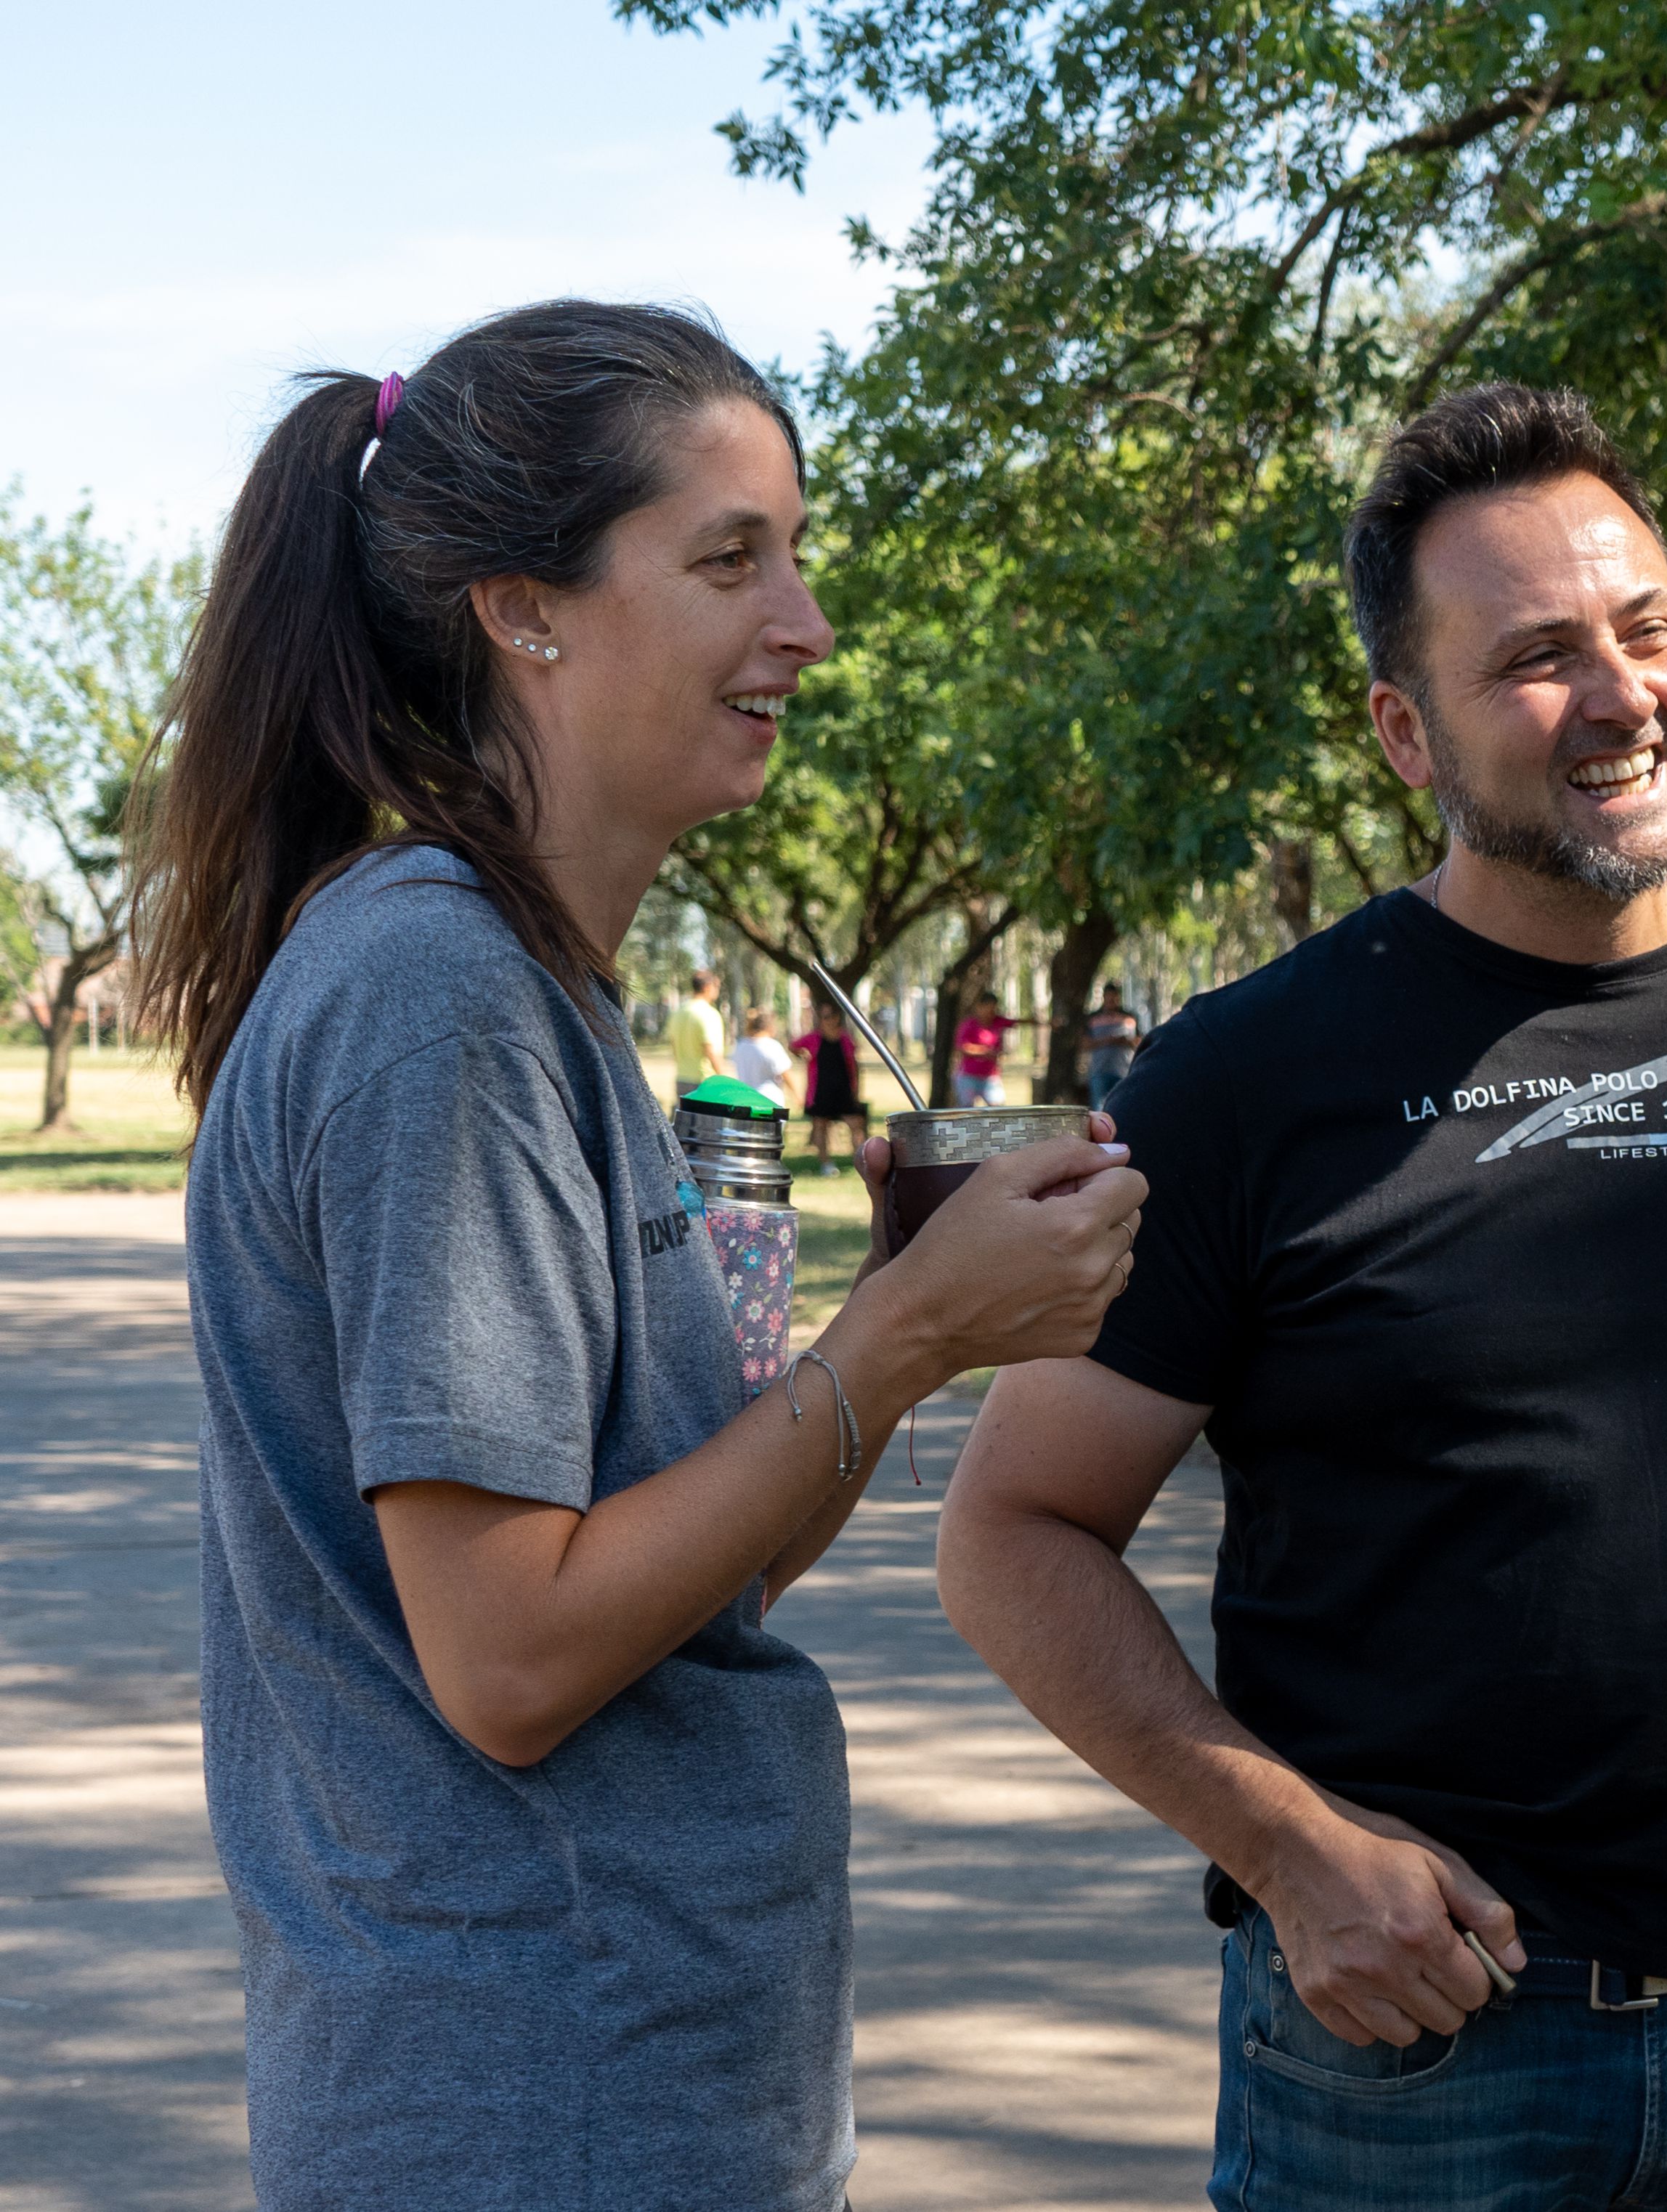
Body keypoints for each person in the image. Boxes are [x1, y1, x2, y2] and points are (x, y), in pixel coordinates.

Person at [938, 383, 1667, 2212]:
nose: (1618, 696)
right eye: (1535, 657)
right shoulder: (1249, 1079)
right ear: (1404, 730)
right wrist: (1286, 1852)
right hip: (1416, 2054)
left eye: (1646, 628)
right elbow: (1016, 1529)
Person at [127, 301, 1150, 2212]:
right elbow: (514, 1653)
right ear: (526, 610)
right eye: (727, 559)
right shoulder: (441, 991)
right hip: (533, 2104)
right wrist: (905, 1333)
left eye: (798, 557)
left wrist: (901, 1330)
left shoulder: (547, 990)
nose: (808, 625)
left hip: (644, 2083)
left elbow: (706, 1556)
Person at [793, 1009, 870, 1173]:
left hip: (844, 1090)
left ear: (837, 1018)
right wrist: (803, 1056)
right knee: (821, 1125)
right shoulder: (814, 1038)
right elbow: (794, 1046)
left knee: (855, 1125)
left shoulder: (845, 1039)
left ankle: (861, 1162)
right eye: (824, 1017)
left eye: (830, 1016)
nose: (827, 1020)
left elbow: (854, 1064)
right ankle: (826, 1164)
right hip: (821, 1090)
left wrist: (856, 1090)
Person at [953, 988, 1027, 1106]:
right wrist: (985, 1052)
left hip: (990, 1076)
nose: (990, 1013)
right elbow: (962, 1047)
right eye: (988, 1009)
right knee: (967, 1110)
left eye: (993, 1009)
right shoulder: (969, 1024)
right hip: (968, 1076)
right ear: (980, 1007)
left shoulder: (997, 1021)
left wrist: (1046, 1023)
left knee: (998, 1108)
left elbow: (1019, 1022)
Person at [668, 966, 729, 1097]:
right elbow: (710, 1049)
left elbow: (673, 1045)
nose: (717, 991)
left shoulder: (679, 1012)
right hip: (705, 1081)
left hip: (682, 1079)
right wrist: (724, 1080)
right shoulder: (708, 1013)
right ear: (708, 987)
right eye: (716, 987)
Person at [1084, 984, 1140, 1112]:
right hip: (1099, 1072)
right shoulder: (1093, 1018)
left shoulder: (1129, 1017)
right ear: (1104, 997)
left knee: (1125, 1110)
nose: (1111, 1001)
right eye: (1109, 998)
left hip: (1124, 1073)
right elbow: (1085, 1044)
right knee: (1100, 1110)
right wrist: (1108, 1041)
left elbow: (1139, 1041)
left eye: (1114, 998)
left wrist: (1125, 1041)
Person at [731, 1004, 795, 1110]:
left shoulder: (741, 1045)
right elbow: (786, 1072)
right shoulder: (771, 1046)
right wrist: (797, 1095)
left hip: (745, 1101)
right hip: (769, 1100)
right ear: (770, 1026)